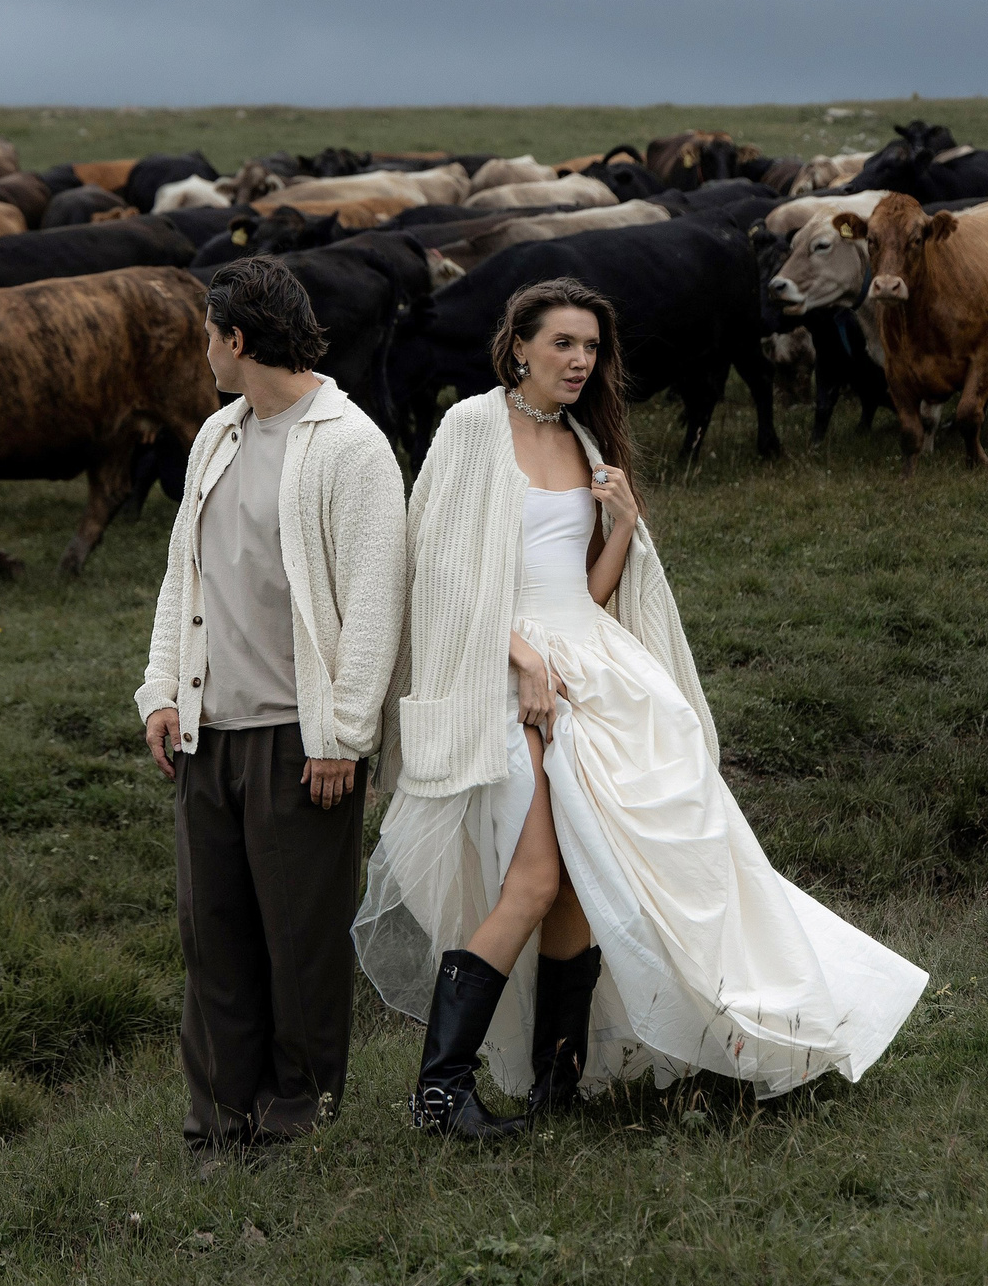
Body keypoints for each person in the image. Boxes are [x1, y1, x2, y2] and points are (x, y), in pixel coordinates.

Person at [356, 277, 927, 1138]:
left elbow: (583, 591)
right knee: (537, 877)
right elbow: (435, 571)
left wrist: (622, 524)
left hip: (592, 666)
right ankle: (439, 1093)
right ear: (518, 347)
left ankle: (557, 1086)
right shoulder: (472, 427)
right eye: (563, 344)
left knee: (583, 886)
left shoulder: (587, 439)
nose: (581, 360)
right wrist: (521, 659)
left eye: (591, 347)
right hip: (506, 673)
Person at [137, 257, 408, 1153]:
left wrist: (344, 735)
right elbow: (185, 574)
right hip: (209, 730)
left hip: (302, 738)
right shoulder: (216, 435)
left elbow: (376, 599)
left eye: (207, 335)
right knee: (212, 938)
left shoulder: (348, 444)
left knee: (298, 944)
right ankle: (217, 1119)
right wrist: (163, 691)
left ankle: (298, 1116)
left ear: (238, 339)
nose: (203, 352)